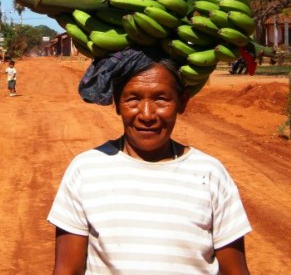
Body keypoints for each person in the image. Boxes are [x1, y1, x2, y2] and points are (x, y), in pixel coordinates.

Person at [48, 46, 252, 274]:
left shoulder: (210, 174)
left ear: (182, 101)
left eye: (161, 99)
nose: (146, 115)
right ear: (116, 101)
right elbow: (67, 269)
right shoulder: (85, 171)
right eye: (132, 99)